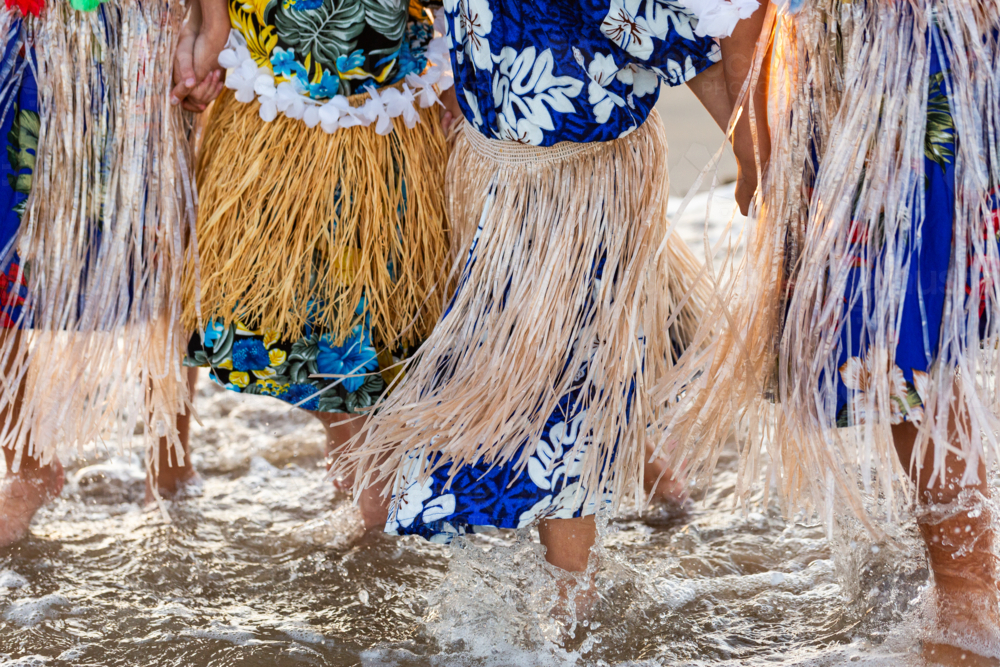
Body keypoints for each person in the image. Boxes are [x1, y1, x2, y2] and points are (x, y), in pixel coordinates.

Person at [340, 0, 768, 586]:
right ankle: (651, 500)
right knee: (544, 375)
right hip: (501, 171)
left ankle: (573, 599)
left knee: (568, 386)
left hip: (582, 186)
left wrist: (754, 161)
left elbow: (691, 48)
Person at [657, 1, 1000, 663]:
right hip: (920, 57)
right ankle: (965, 590)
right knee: (916, 350)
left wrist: (758, 155)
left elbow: (735, 12)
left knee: (906, 359)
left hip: (886, 76)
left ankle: (970, 605)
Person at [172, 0, 455, 482]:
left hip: (389, 102)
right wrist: (209, 25)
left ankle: (362, 489)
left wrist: (462, 66)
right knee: (296, 325)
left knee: (381, 333)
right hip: (276, 100)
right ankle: (356, 482)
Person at [0, 0, 196, 545]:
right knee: (2, 237)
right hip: (22, 30)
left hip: (134, 30)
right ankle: (28, 462)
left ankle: (169, 458)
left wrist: (206, 21)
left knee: (157, 245)